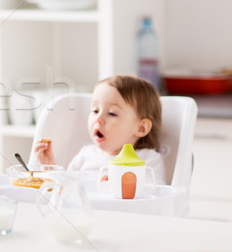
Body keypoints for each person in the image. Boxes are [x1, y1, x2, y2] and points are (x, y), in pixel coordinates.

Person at [33, 75, 166, 184]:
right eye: (95, 110)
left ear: (141, 128)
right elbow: (65, 189)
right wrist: (49, 167)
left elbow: (155, 196)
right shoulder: (85, 155)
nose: (98, 119)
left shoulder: (147, 160)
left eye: (112, 113)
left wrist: (120, 186)